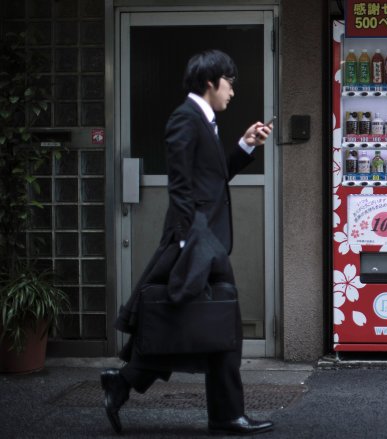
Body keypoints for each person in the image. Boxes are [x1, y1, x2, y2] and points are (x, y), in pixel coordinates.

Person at [100, 50, 273, 435]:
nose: (232, 91)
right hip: (197, 241)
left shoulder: (204, 121)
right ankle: (225, 413)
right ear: (211, 82)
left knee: (197, 321)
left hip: (202, 240)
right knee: (217, 320)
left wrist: (245, 145)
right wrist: (188, 242)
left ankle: (125, 381)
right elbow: (179, 186)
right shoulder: (186, 119)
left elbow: (212, 180)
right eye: (229, 83)